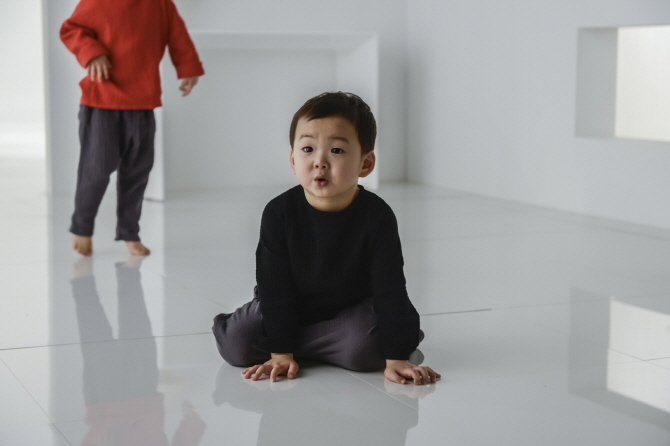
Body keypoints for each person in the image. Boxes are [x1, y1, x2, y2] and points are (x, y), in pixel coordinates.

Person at [213, 92, 440, 385]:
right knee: (235, 344)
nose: (319, 161)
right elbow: (274, 285)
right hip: (289, 305)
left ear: (366, 163)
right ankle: (302, 345)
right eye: (307, 148)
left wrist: (396, 356)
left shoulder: (377, 216)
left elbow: (390, 287)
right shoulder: (278, 213)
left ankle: (310, 345)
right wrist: (281, 351)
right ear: (293, 160)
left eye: (336, 151)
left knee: (364, 352)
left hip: (350, 310)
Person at [60, 0, 205, 256]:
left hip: (142, 104)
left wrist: (188, 68)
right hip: (102, 102)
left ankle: (130, 232)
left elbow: (177, 36)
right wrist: (92, 52)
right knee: (96, 170)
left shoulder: (161, 5)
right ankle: (82, 226)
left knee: (137, 172)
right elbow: (71, 29)